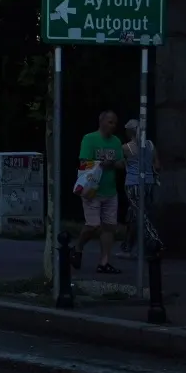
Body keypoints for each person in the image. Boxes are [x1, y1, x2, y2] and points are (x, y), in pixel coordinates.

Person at [72, 110, 126, 275]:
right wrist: (100, 163)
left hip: (110, 190)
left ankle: (104, 262)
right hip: (92, 189)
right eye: (110, 122)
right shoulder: (90, 139)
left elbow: (122, 163)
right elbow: (84, 162)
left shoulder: (116, 142)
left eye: (115, 123)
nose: (113, 126)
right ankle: (78, 247)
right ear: (101, 122)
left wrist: (111, 164)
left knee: (109, 227)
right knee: (93, 226)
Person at [123, 118, 163, 258]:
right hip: (149, 183)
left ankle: (155, 240)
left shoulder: (127, 148)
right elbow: (157, 165)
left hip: (133, 183)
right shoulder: (150, 145)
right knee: (135, 214)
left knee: (140, 215)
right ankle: (129, 246)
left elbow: (119, 163)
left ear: (129, 132)